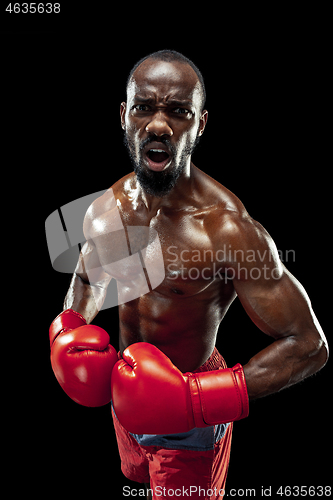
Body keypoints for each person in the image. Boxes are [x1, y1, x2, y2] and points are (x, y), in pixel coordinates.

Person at [49, 50, 328, 500]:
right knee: (136, 482)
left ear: (199, 125)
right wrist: (67, 332)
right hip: (126, 404)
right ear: (124, 116)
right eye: (144, 107)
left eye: (178, 112)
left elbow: (309, 345)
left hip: (190, 422)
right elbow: (86, 280)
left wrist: (196, 400)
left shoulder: (227, 229)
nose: (159, 125)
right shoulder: (107, 209)